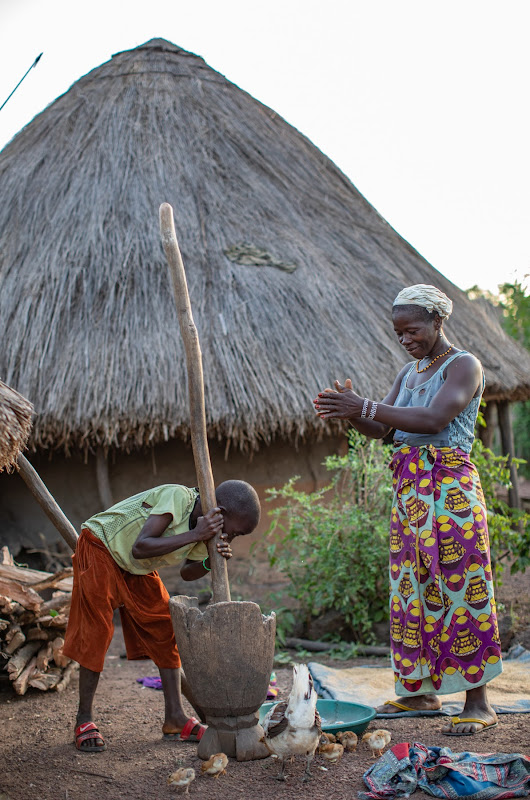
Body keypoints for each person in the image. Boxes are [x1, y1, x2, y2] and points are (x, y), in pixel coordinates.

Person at [313, 284, 502, 736]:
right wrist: (351, 412)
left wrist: (368, 406)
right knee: (410, 588)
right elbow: (383, 428)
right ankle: (419, 690)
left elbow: (436, 418)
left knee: (462, 584)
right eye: (398, 332)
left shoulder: (464, 366)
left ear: (438, 321)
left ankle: (479, 701)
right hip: (411, 493)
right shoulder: (409, 372)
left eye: (412, 330)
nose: (405, 339)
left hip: (449, 487)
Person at [63, 479, 261, 753]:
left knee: (166, 628)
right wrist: (196, 535)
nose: (232, 538)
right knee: (96, 631)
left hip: (137, 568)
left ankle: (175, 718)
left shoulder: (210, 530)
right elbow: (141, 546)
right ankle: (83, 719)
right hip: (101, 546)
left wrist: (209, 558)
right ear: (221, 512)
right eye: (235, 532)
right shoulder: (177, 498)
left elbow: (186, 573)